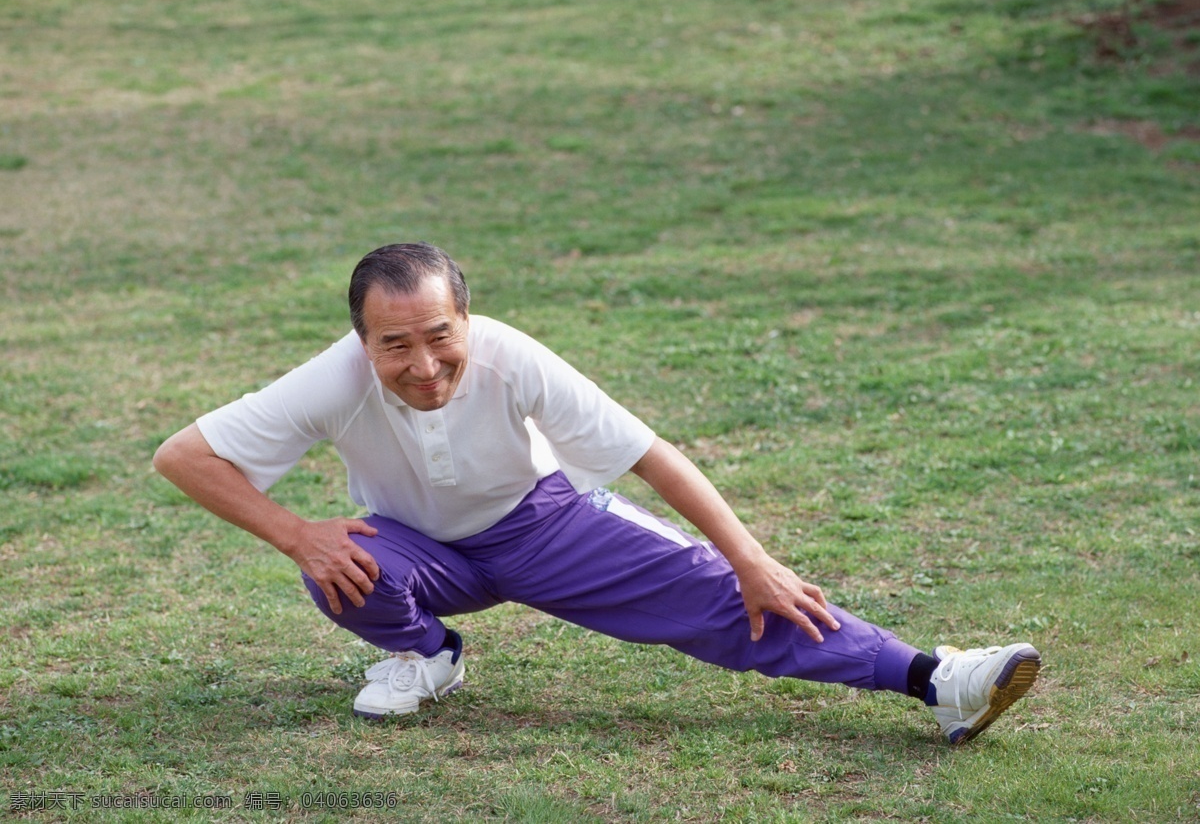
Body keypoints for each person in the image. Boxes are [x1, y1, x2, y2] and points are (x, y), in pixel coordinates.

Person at [153, 242, 1041, 744]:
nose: (421, 366)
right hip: (419, 548)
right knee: (338, 567)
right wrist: (295, 531)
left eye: (439, 336)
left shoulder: (512, 355)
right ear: (361, 339)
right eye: (394, 345)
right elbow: (183, 455)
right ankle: (426, 656)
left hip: (544, 525)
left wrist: (753, 558)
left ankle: (939, 679)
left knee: (734, 604)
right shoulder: (335, 376)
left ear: (467, 317)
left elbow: (651, 455)